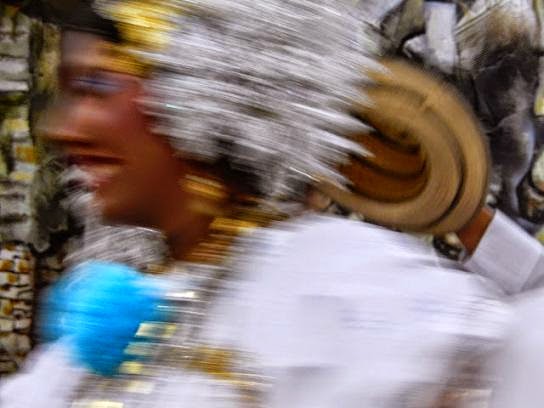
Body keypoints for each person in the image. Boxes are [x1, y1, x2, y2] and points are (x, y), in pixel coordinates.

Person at [0, 1, 510, 407]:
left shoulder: (344, 289)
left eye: (95, 85)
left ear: (208, 83)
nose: (61, 129)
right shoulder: (120, 321)